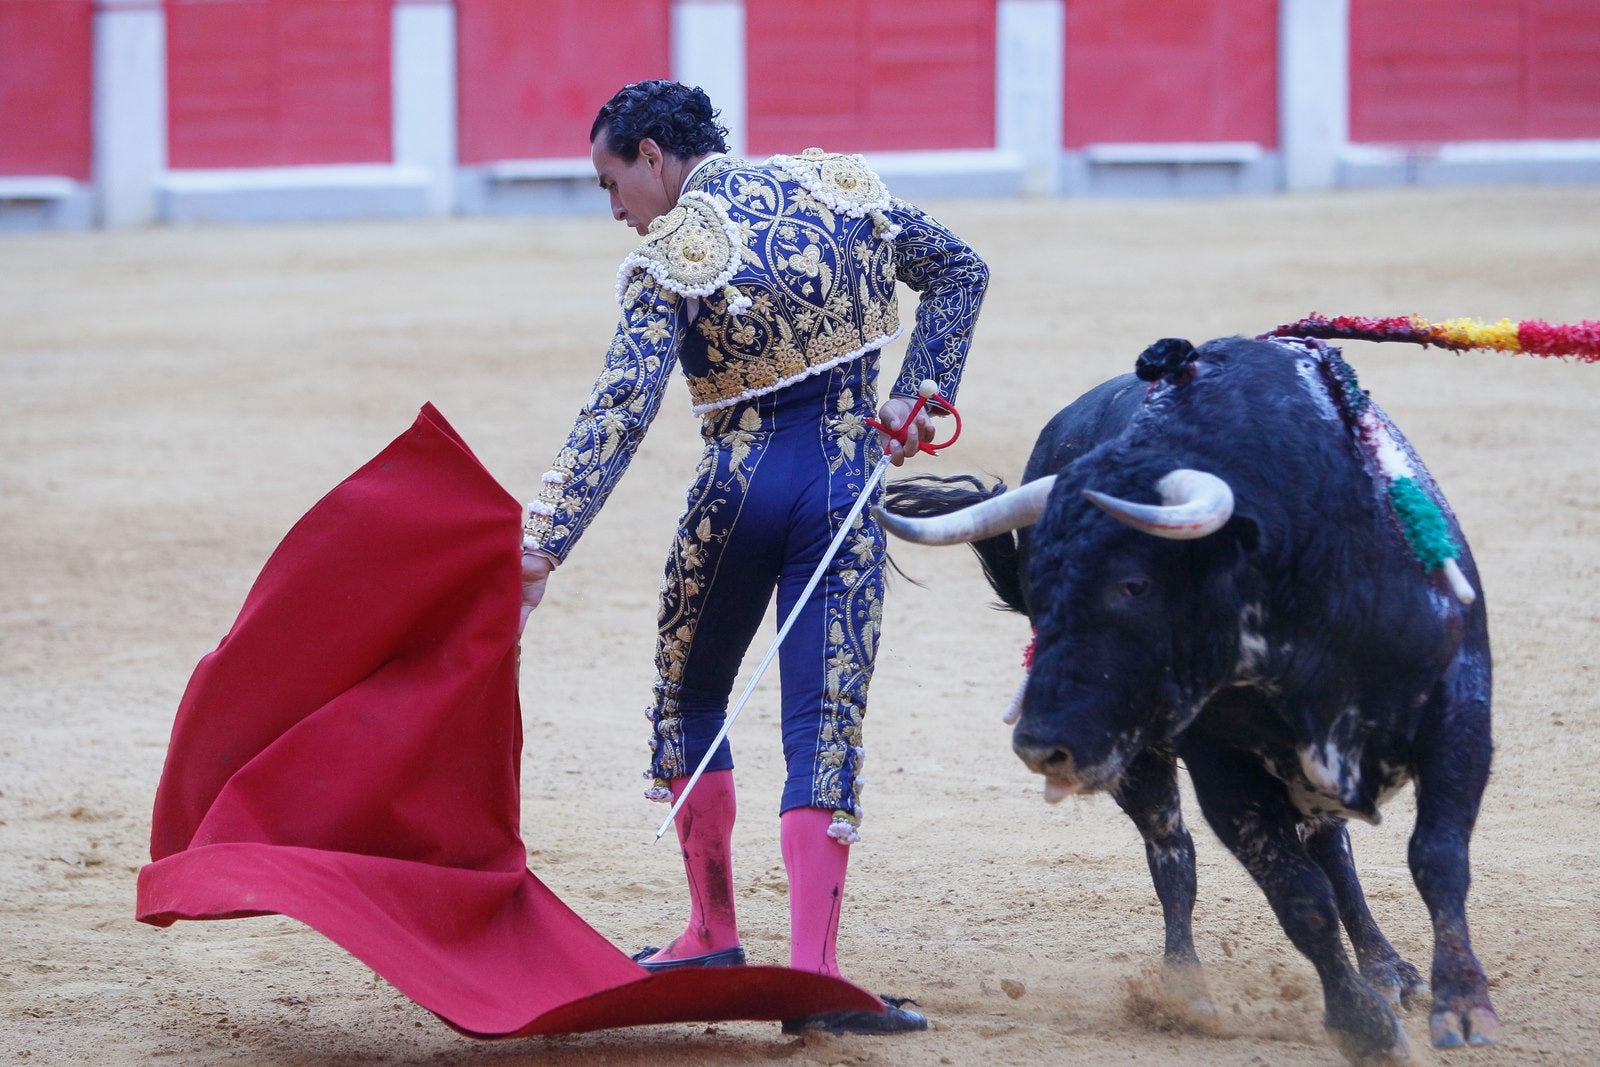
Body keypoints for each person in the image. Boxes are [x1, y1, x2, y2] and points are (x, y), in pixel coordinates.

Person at [519, 80, 989, 1034]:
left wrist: (544, 543)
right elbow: (961, 269)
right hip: (846, 487)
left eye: (612, 182)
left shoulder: (671, 255)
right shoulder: (839, 190)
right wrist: (920, 393)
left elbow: (622, 406)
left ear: (654, 156)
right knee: (824, 719)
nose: (615, 209)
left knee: (691, 698)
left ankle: (711, 928)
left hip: (737, 492)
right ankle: (815, 976)